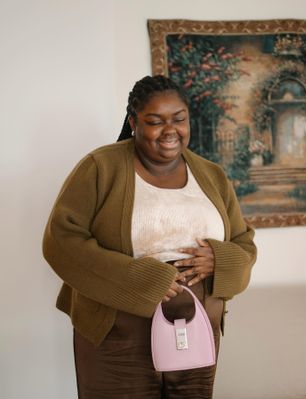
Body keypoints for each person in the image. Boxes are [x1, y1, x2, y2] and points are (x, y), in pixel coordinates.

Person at [43, 75, 257, 399]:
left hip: (197, 336)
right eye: (155, 121)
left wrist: (220, 260)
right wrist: (138, 280)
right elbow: (61, 241)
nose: (170, 130)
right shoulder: (100, 167)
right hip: (117, 338)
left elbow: (244, 242)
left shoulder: (212, 174)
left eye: (179, 119)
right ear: (133, 122)